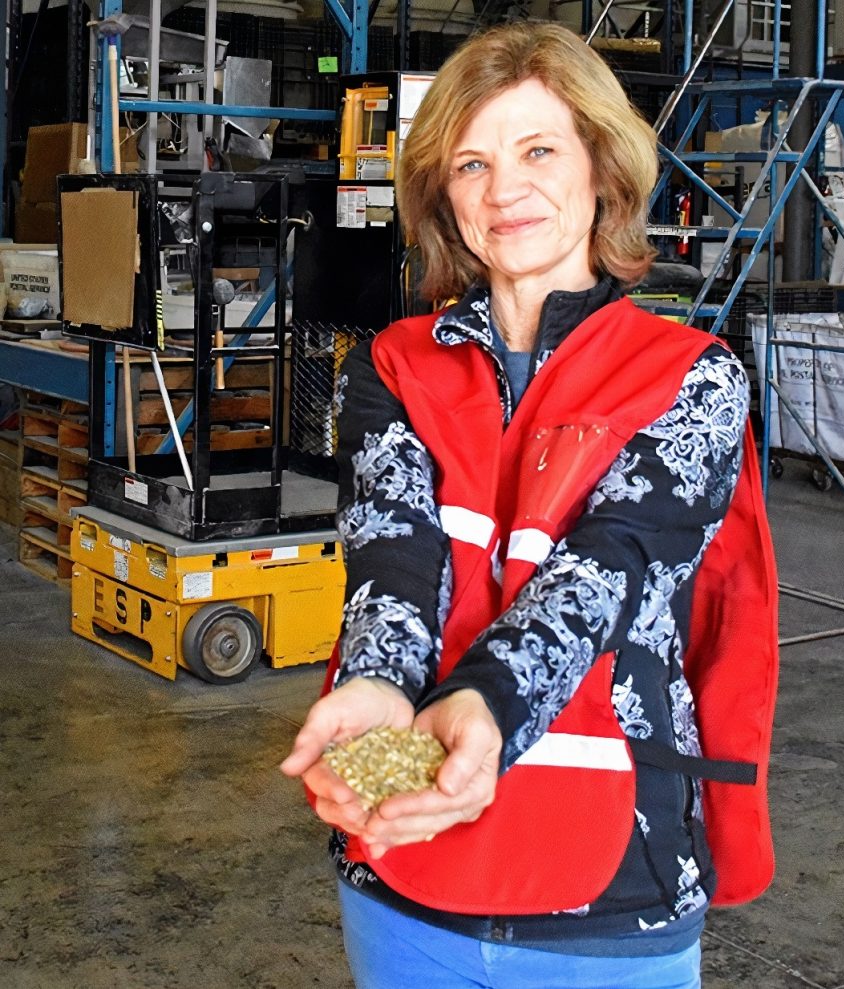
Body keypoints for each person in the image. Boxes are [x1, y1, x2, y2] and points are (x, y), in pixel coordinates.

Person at [281, 21, 779, 989]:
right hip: (405, 874)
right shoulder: (390, 368)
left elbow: (609, 568)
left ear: (601, 166)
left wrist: (485, 705)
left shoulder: (691, 379)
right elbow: (393, 559)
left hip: (610, 888)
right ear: (442, 198)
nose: (504, 189)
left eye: (538, 149)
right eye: (470, 163)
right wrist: (380, 683)